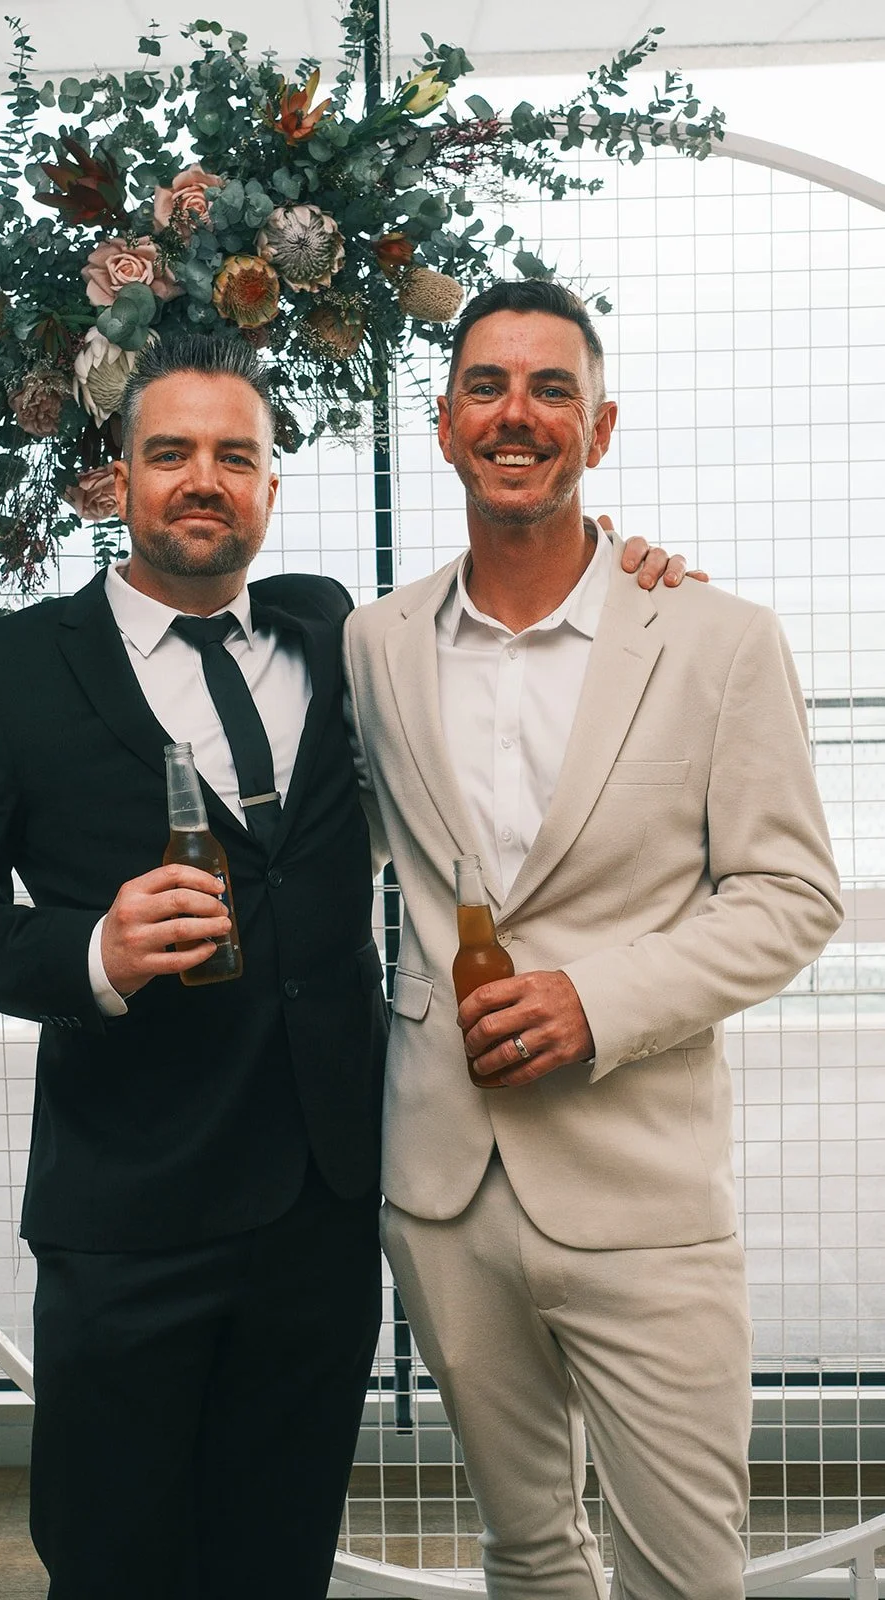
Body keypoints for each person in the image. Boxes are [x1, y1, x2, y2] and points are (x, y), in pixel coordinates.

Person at [0, 330, 693, 1598]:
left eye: (234, 456)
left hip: (322, 1211)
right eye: (169, 455)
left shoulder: (336, 628)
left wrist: (631, 568)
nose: (203, 479)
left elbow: (512, 625)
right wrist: (89, 948)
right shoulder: (6, 669)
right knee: (117, 1564)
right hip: (128, 1214)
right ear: (116, 480)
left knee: (277, 1559)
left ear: (268, 485)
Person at [342, 279, 843, 1600]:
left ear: (598, 428)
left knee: (684, 1574)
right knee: (526, 1553)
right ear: (444, 425)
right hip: (439, 1190)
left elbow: (791, 898)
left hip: (643, 1194)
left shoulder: (716, 640)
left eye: (549, 388)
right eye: (486, 387)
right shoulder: (371, 644)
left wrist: (596, 1000)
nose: (516, 413)